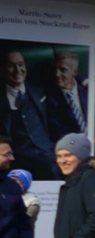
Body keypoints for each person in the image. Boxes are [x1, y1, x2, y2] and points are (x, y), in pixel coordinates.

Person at [3, 46, 59, 180]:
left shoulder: (40, 90)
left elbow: (69, 74)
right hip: (16, 158)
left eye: (20, 64)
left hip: (46, 154)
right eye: (11, 65)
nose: (17, 70)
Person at [45, 48, 89, 140]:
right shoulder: (51, 101)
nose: (57, 74)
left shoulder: (87, 91)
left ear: (75, 72)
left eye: (63, 70)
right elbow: (58, 133)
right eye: (55, 69)